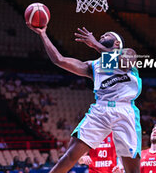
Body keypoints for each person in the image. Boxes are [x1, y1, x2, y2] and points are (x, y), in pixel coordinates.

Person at [27, 23, 142, 173]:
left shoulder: (129, 53)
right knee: (70, 155)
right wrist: (43, 34)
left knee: (132, 170)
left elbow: (121, 62)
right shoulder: (93, 66)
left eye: (107, 35)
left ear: (117, 43)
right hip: (100, 109)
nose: (102, 36)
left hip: (125, 110)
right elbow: (59, 60)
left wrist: (95, 44)